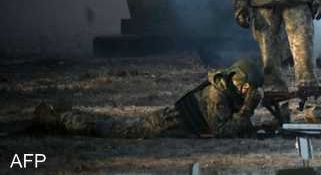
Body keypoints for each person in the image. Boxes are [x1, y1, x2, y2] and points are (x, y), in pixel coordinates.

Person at [32, 59, 264, 138]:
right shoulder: (217, 94)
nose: (247, 92)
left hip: (174, 124)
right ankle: (59, 119)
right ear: (236, 79)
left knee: (113, 125)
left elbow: (236, 127)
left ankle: (65, 117)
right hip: (164, 125)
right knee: (113, 129)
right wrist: (247, 110)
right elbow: (222, 132)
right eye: (246, 87)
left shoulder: (227, 91)